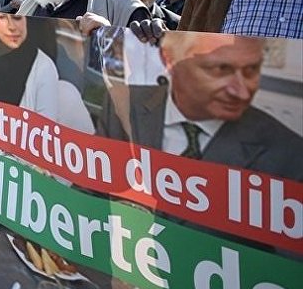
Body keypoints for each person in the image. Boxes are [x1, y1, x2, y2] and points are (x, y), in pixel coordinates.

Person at [2, 0, 147, 289]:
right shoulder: (32, 2)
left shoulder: (123, 5)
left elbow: (159, 83)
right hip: (42, 175)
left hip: (103, 182)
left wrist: (117, 43)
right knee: (43, 275)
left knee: (104, 285)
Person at [101, 33, 302, 180]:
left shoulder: (290, 153)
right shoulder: (122, 103)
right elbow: (90, 192)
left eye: (251, 70)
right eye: (221, 69)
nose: (241, 92)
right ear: (170, 60)